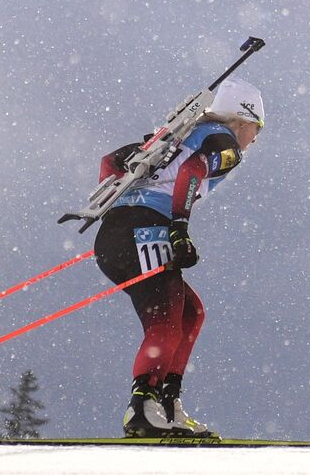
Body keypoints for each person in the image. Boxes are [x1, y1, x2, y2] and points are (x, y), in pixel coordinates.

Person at [93, 77, 264, 438]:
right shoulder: (226, 142)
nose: (256, 138)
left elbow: (110, 161)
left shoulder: (175, 135)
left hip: (118, 234)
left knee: (189, 312)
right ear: (243, 121)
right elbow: (191, 171)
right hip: (146, 228)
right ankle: (143, 407)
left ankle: (166, 404)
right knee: (168, 317)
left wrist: (115, 207)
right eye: (257, 128)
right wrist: (179, 228)